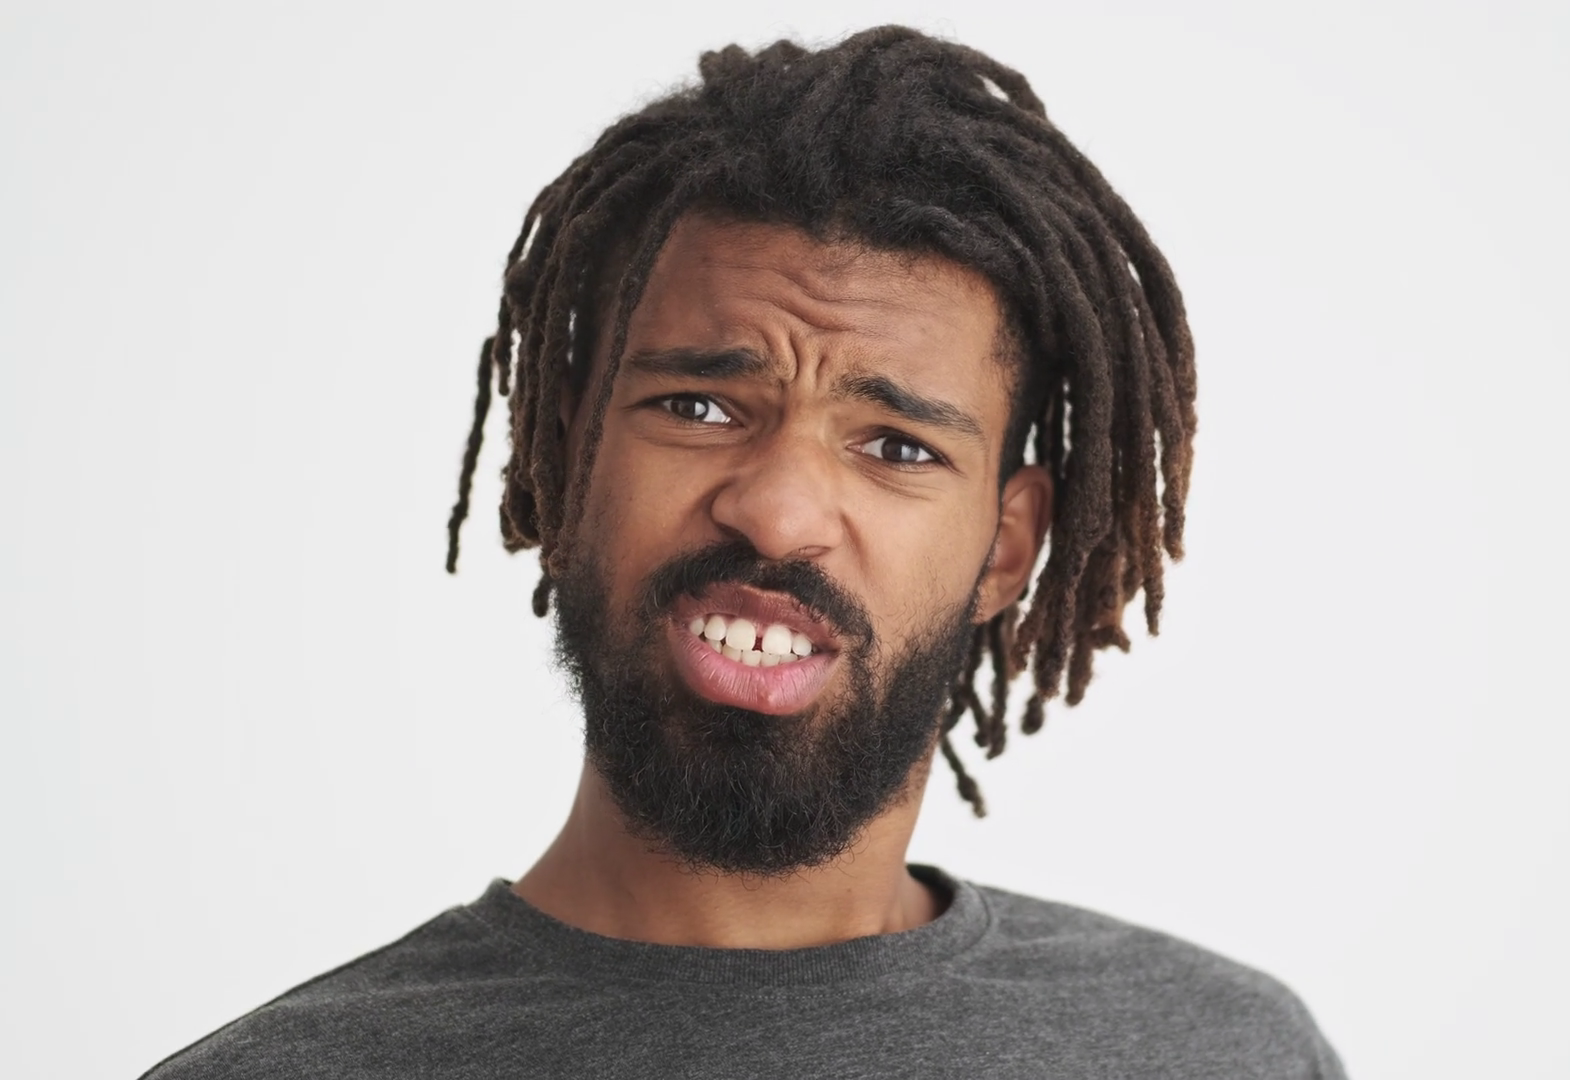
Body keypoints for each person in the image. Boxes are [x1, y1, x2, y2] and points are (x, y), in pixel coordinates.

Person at [144, 26, 1345, 1079]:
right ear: (563, 460)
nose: (776, 512)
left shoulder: (1220, 1053)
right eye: (701, 407)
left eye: (897, 446)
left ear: (1005, 550)